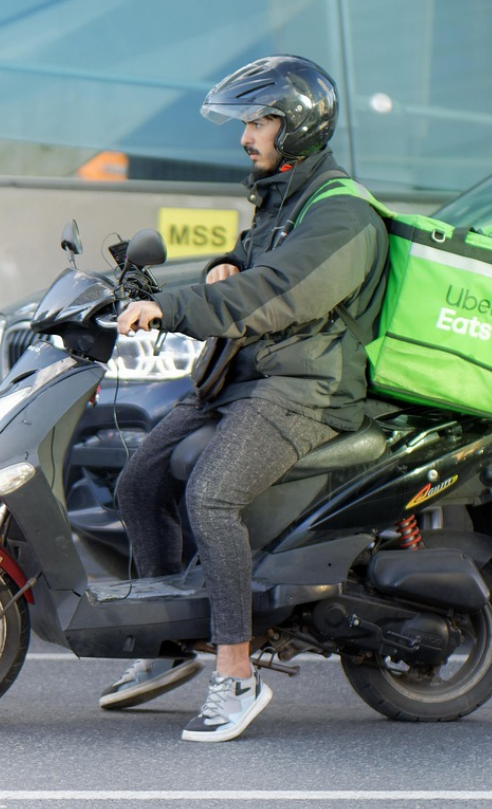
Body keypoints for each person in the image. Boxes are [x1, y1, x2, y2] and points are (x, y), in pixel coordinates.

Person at [100, 55, 388, 742]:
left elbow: (274, 294)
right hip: (240, 375)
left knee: (211, 496)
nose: (245, 136)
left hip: (305, 390)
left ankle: (235, 674)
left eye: (258, 121)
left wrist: (171, 307)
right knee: (137, 482)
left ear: (298, 126)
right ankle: (167, 646)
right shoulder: (281, 196)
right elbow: (245, 270)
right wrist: (217, 267)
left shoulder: (344, 215)